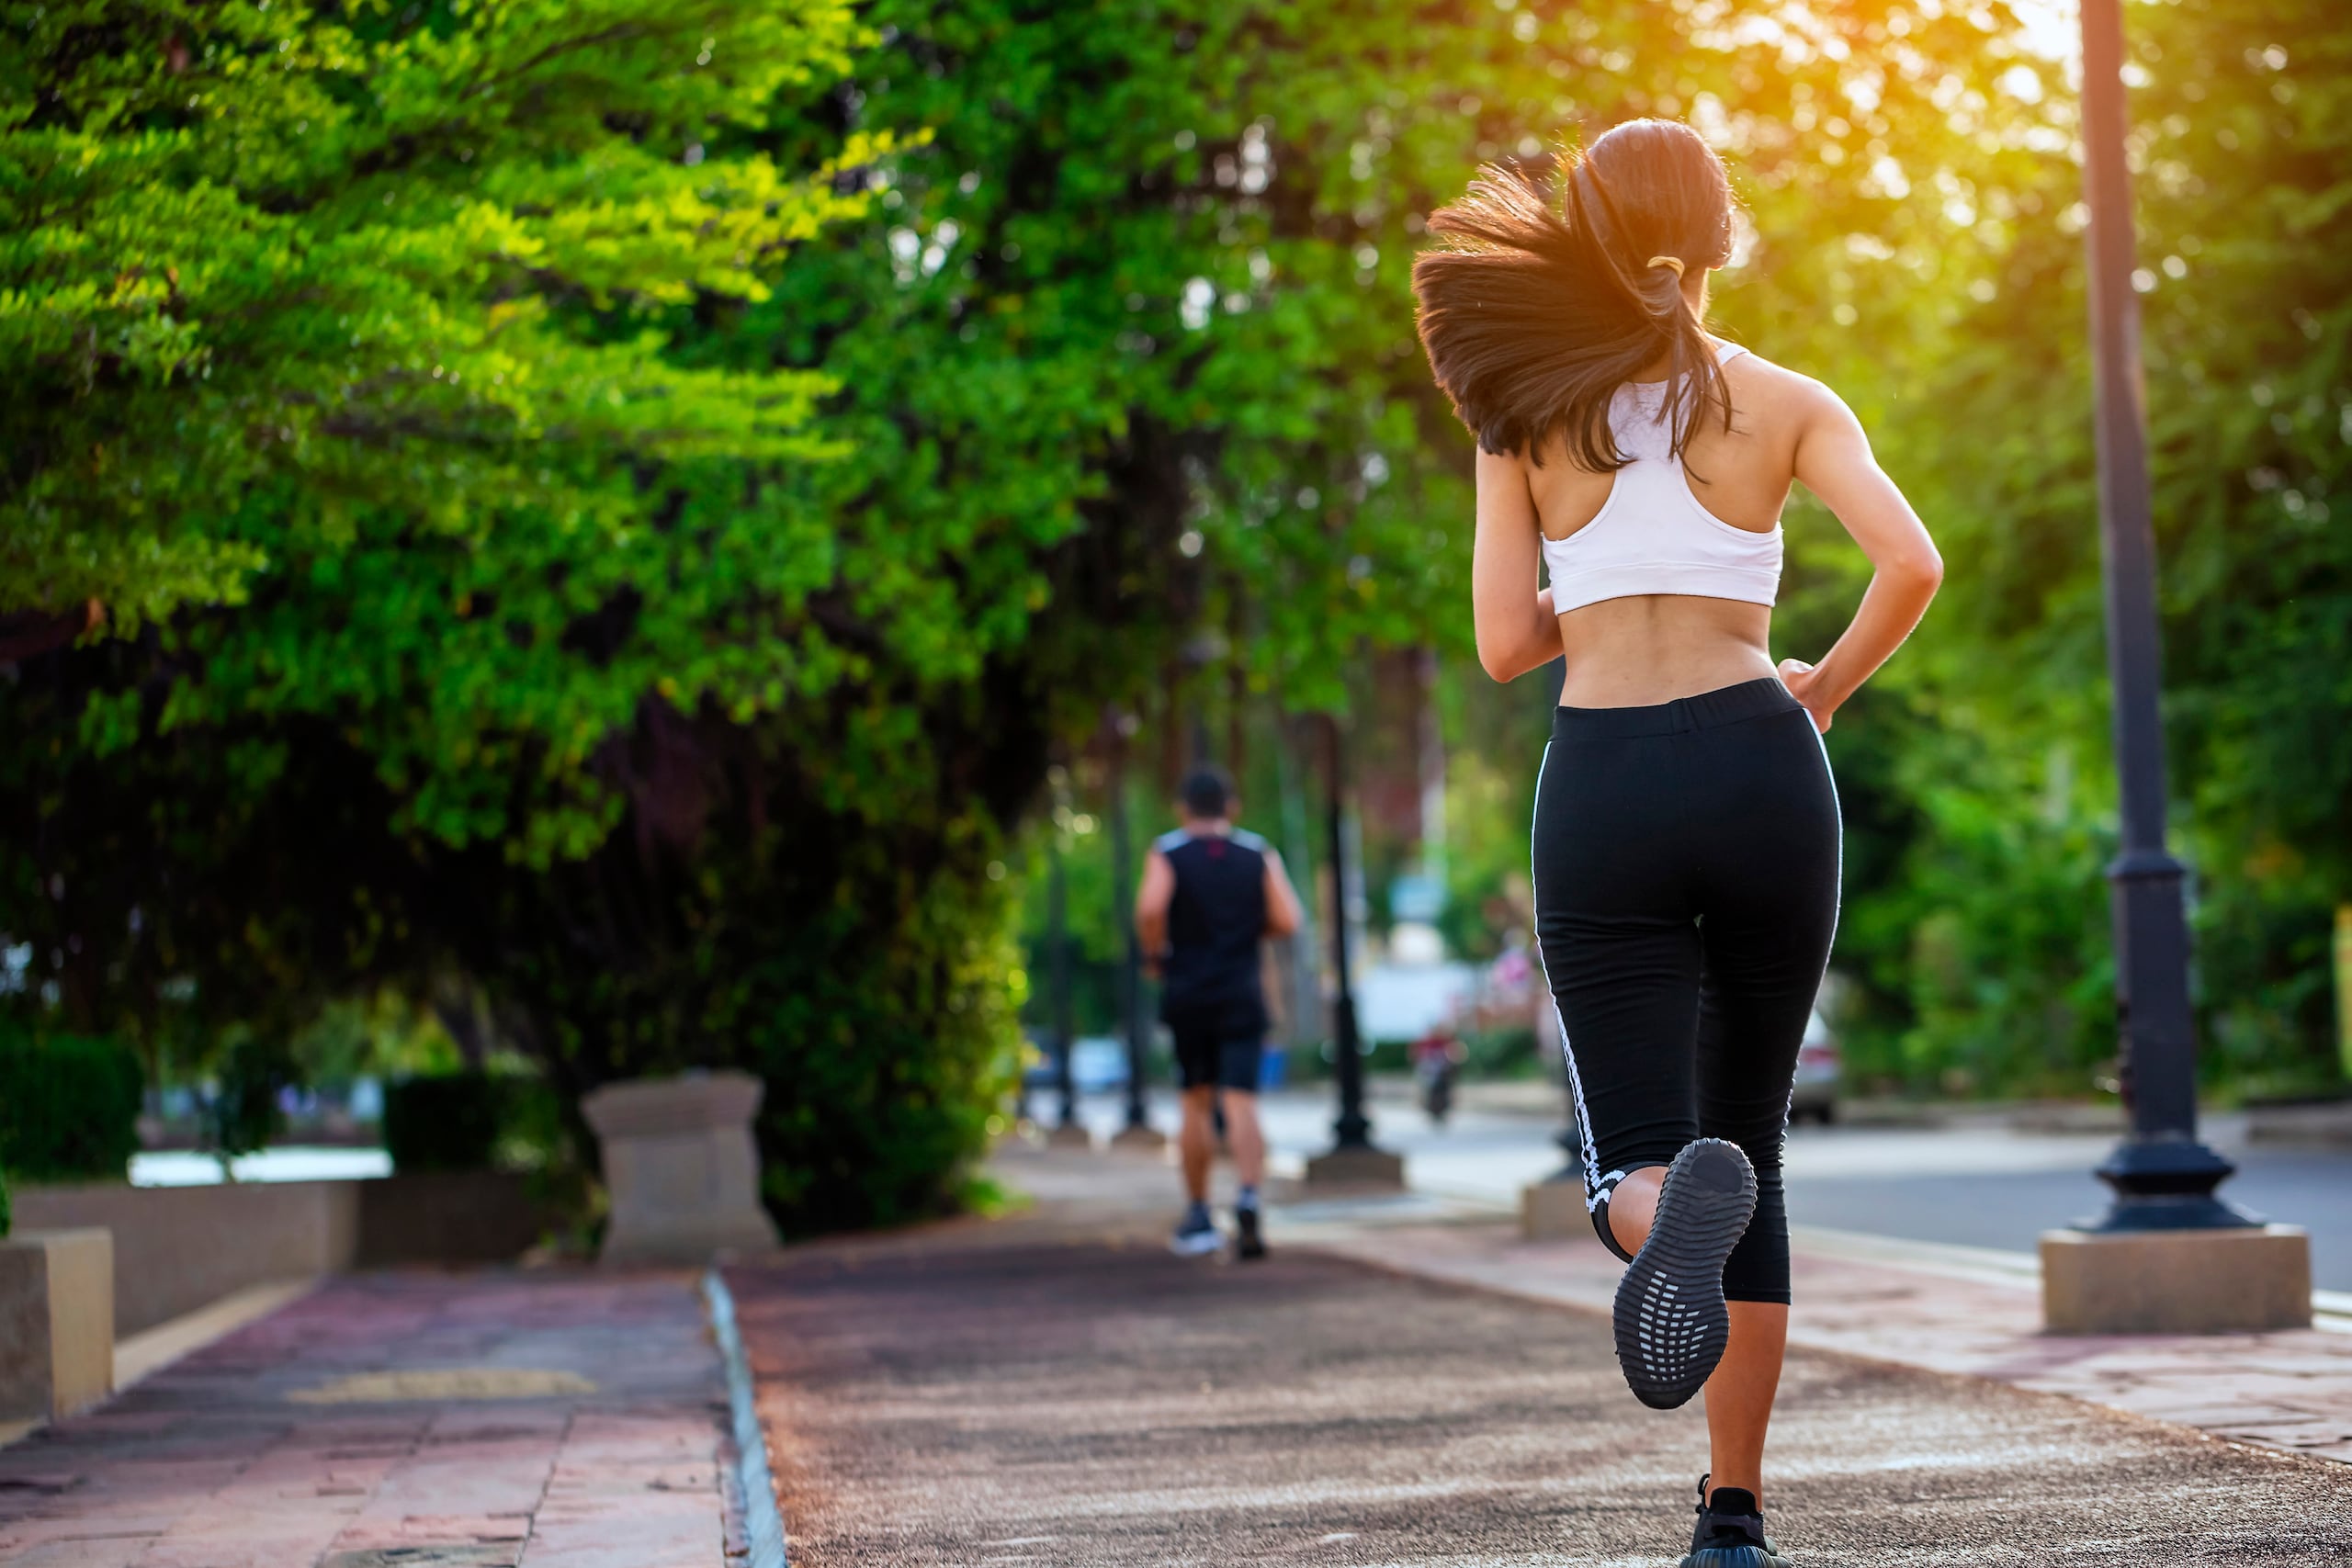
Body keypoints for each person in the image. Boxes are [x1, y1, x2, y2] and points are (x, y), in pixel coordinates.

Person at [1412, 119, 1942, 1568]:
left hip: (1609, 782)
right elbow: (1912, 562)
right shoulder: (1786, 400)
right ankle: (1734, 1513)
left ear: (1582, 242)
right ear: (1724, 238)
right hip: (1766, 764)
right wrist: (1816, 694)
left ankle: (1648, 1210)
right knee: (1754, 1141)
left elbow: (1508, 642)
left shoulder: (1522, 413)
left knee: (1637, 1151)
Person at [1135, 764, 1305, 1261]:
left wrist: (1154, 954)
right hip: (1241, 991)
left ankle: (1198, 1211)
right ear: (1231, 807)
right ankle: (1249, 1197)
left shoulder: (1167, 853)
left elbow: (1149, 909)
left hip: (1187, 991)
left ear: (1182, 809)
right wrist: (1249, 929)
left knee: (1195, 1102)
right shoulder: (1256, 853)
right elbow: (1287, 918)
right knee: (1242, 1100)